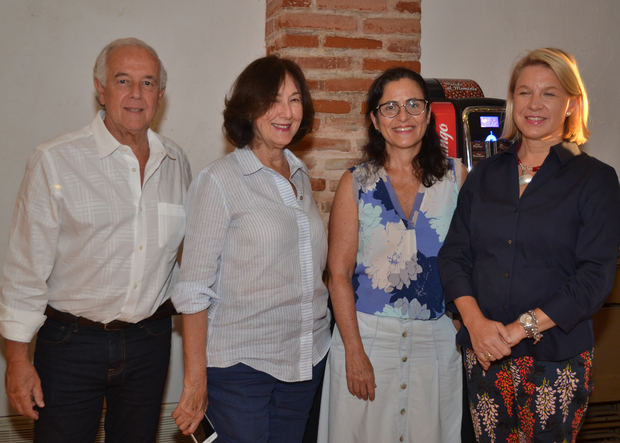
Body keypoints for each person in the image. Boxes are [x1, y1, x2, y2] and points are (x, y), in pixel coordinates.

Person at [0, 38, 191, 442]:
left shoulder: (176, 163)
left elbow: (181, 262)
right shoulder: (55, 159)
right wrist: (17, 361)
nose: (136, 94)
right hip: (71, 343)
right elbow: (24, 269)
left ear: (161, 94)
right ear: (100, 88)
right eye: (123, 81)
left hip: (148, 342)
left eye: (148, 83)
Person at [438, 48, 620, 442]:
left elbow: (594, 278)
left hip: (556, 359)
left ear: (571, 104)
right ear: (512, 101)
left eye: (549, 93)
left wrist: (519, 330)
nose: (534, 104)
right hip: (485, 354)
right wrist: (475, 323)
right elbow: (454, 256)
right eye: (524, 92)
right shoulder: (484, 175)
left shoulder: (596, 180)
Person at [171, 55, 331, 443]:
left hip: (305, 361)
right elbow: (193, 290)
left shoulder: (299, 175)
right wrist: (195, 381)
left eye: (295, 100)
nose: (286, 112)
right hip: (241, 368)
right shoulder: (219, 181)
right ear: (248, 106)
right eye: (273, 100)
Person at [317, 67, 465, 443]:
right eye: (390, 107)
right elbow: (338, 274)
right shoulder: (357, 182)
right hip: (368, 336)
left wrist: (467, 320)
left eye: (414, 104)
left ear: (430, 114)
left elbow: (471, 260)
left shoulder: (457, 179)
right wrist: (354, 351)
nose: (403, 116)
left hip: (435, 339)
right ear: (374, 119)